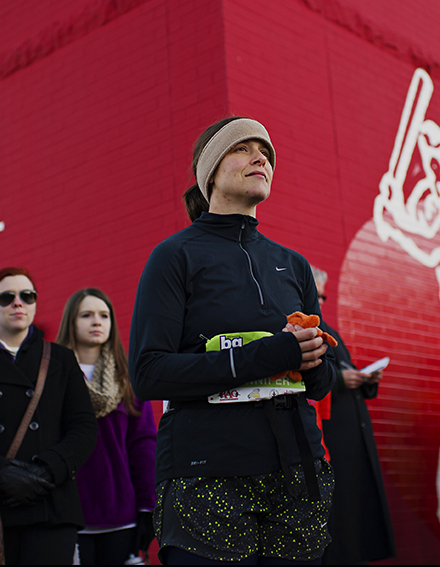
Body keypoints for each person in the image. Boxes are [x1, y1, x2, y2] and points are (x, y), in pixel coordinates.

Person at [128, 116, 337, 565]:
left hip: (298, 476)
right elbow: (148, 374)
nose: (260, 157)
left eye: (265, 152)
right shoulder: (174, 256)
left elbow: (320, 386)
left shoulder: (294, 265)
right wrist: (270, 353)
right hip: (206, 479)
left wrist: (316, 359)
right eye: (242, 148)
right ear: (210, 172)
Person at [0, 268, 98, 565]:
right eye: (7, 297)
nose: (18, 303)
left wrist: (46, 470)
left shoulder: (61, 359)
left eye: (27, 296)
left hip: (50, 504)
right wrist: (0, 472)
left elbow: (84, 428)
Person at [56, 288, 157, 565]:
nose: (96, 321)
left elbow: (143, 445)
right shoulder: (54, 378)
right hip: (69, 513)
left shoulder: (127, 380)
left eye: (104, 315)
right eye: (86, 315)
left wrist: (148, 506)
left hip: (120, 513)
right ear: (71, 323)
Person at [314, 267, 396, 565]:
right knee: (340, 517)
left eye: (323, 295)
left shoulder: (328, 330)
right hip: (331, 438)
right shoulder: (302, 330)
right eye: (317, 293)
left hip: (350, 434)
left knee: (356, 515)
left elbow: (342, 369)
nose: (321, 300)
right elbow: (304, 379)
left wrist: (364, 379)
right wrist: (339, 381)